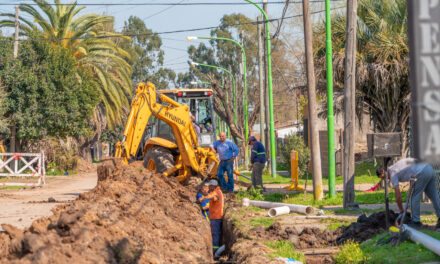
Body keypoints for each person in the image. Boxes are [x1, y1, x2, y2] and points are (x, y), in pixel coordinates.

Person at [376, 158, 440, 228]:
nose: (385, 179)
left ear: (383, 171)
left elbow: (398, 195)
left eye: (383, 177)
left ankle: (416, 222)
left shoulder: (392, 173)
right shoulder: (395, 167)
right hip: (428, 168)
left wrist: (401, 210)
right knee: (434, 196)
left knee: (414, 197)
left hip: (422, 172)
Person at [201, 179, 224, 254]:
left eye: (210, 186)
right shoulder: (217, 191)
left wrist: (205, 197)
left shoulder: (216, 192)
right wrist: (205, 194)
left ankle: (215, 252)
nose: (208, 188)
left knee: (215, 234)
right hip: (215, 216)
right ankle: (215, 251)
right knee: (215, 234)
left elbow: (212, 196)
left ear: (213, 186)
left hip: (216, 217)